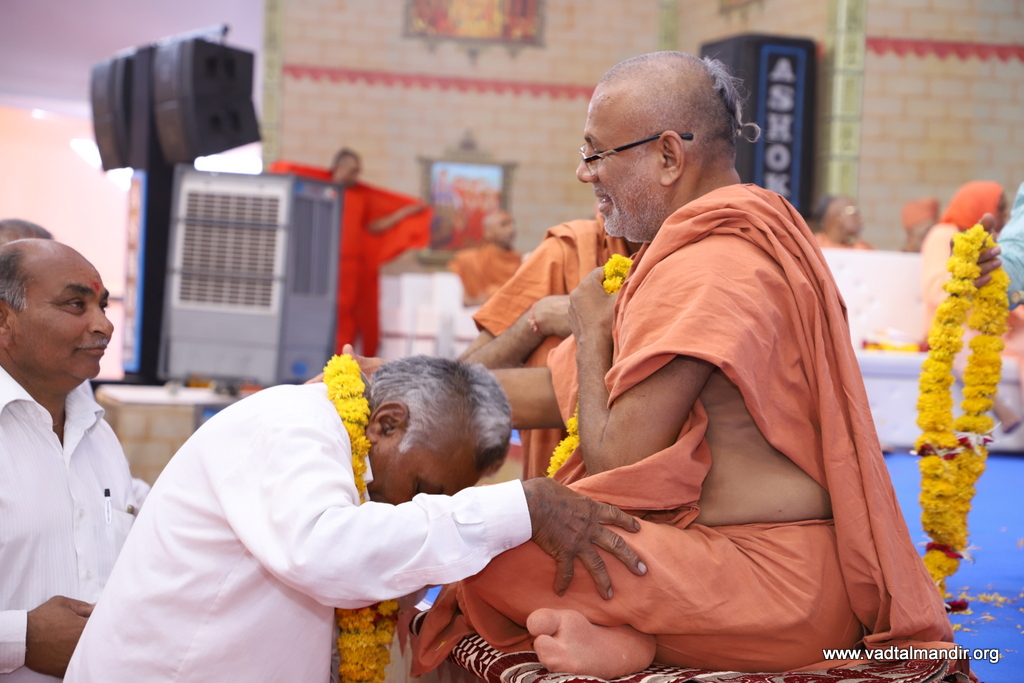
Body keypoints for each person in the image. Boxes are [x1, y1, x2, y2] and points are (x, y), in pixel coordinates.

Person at [413, 51, 956, 679]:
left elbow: (618, 458)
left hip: (765, 589)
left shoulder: (707, 267)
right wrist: (402, 387)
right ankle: (629, 631)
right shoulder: (732, 244)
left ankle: (638, 644)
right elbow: (555, 391)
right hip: (767, 574)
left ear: (669, 156)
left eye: (596, 153)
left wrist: (591, 330)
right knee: (499, 528)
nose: (584, 173)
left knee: (482, 553)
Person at [64, 354, 646, 682]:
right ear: (386, 423)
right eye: (421, 490)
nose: (409, 509)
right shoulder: (292, 423)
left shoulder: (355, 462)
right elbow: (323, 550)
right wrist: (522, 505)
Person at [0, 240, 138, 682]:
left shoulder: (97, 431)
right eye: (76, 304)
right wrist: (21, 638)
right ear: (4, 321)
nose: (104, 325)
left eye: (103, 305)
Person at [460, 208, 638, 478]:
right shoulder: (567, 250)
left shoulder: (691, 263)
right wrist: (536, 319)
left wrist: (595, 330)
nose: (590, 179)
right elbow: (460, 380)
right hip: (551, 479)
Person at [269, 149, 432, 357]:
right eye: (353, 170)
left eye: (358, 171)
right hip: (319, 264)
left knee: (347, 313)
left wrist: (403, 213)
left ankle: (342, 361)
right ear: (338, 167)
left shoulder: (359, 196)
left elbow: (372, 227)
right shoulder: (318, 190)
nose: (356, 176)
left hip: (350, 267)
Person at [921, 181, 1008, 332]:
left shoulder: (998, 239)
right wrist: (972, 276)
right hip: (950, 333)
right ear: (979, 207)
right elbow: (935, 290)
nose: (1005, 215)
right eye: (1000, 208)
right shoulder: (944, 233)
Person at [447, 209, 522, 306]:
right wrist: (476, 301)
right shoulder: (469, 259)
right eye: (503, 224)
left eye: (512, 223)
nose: (511, 229)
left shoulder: (521, 261)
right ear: (488, 232)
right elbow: (460, 298)